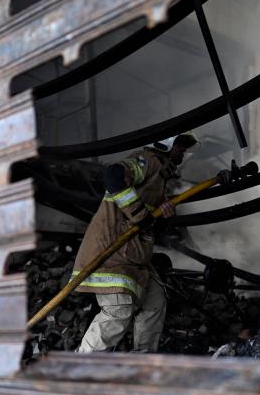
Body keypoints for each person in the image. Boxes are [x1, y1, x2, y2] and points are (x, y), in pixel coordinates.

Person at [73, 132, 199, 353]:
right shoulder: (147, 162)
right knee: (118, 312)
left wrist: (163, 218)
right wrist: (140, 214)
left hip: (135, 260)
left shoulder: (160, 180)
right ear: (166, 143)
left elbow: (151, 228)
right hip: (111, 256)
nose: (183, 151)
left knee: (155, 303)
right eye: (180, 145)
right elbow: (113, 176)